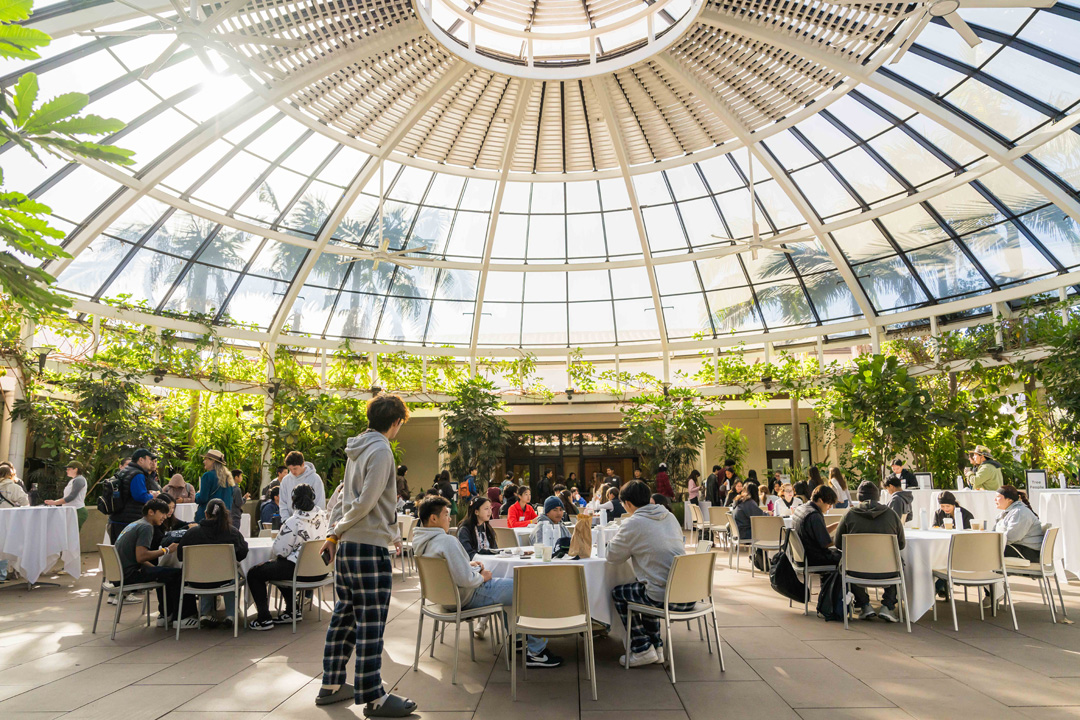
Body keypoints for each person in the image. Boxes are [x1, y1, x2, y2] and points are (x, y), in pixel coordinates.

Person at [317, 395, 414, 714]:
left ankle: (331, 684)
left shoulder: (355, 450)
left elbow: (346, 498)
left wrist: (335, 533)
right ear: (396, 421)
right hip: (369, 547)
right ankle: (374, 697)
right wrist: (337, 530)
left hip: (348, 548)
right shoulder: (382, 450)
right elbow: (367, 501)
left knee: (344, 616)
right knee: (371, 622)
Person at [414, 495, 560, 667]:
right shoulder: (446, 541)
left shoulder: (420, 541)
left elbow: (450, 571)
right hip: (468, 595)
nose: (449, 517)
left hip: (445, 598)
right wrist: (482, 576)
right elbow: (466, 579)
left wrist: (469, 565)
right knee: (528, 588)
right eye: (446, 514)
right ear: (433, 518)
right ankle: (536, 652)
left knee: (510, 589)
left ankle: (519, 638)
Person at [607, 480, 690, 667]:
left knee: (621, 593)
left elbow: (612, 556)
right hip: (689, 595)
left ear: (627, 504)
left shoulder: (634, 523)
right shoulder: (668, 516)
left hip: (667, 599)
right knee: (646, 585)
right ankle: (656, 647)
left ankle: (642, 648)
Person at [247, 484, 328, 630]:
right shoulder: (323, 517)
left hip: (299, 572)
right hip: (321, 571)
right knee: (281, 565)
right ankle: (292, 610)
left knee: (255, 573)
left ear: (293, 500)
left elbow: (279, 550)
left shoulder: (293, 522)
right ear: (313, 498)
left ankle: (264, 618)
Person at [114, 497, 197, 629]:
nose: (165, 517)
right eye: (162, 513)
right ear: (151, 512)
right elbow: (141, 556)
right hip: (131, 575)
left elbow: (136, 557)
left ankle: (166, 614)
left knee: (163, 572)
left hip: (119, 574)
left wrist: (156, 569)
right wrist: (167, 550)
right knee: (180, 575)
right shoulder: (146, 527)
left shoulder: (134, 524)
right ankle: (184, 617)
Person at [834, 481, 906, 623]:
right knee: (898, 562)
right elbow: (901, 545)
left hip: (856, 571)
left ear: (859, 498)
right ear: (878, 497)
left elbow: (838, 544)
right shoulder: (892, 515)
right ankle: (888, 606)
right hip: (888, 571)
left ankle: (864, 605)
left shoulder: (849, 515)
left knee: (847, 561)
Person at [176, 498, 248, 627]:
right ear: (226, 514)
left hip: (196, 580)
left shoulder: (192, 534)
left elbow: (180, 556)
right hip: (225, 580)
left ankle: (205, 613)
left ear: (206, 514)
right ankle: (231, 614)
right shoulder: (233, 533)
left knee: (204, 572)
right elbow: (243, 553)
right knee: (233, 573)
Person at [108, 449, 158, 543]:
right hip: (129, 520)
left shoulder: (126, 471)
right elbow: (140, 496)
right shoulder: (137, 474)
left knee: (118, 552)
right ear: (141, 460)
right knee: (128, 552)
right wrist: (153, 495)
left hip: (117, 518)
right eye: (149, 459)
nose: (151, 462)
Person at [792, 485, 841, 567]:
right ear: (821, 500)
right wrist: (842, 538)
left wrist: (837, 525)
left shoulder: (802, 508)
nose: (829, 507)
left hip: (801, 556)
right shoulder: (814, 515)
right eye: (829, 504)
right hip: (813, 558)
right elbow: (826, 543)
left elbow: (819, 532)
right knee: (847, 557)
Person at [993, 485, 1044, 563]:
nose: (995, 499)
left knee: (987, 549)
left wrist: (990, 542)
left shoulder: (1020, 512)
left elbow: (1011, 537)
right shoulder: (1006, 513)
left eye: (998, 497)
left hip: (1027, 552)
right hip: (1018, 548)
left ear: (1009, 499)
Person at [282, 451, 327, 522]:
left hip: (311, 522)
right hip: (291, 522)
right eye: (290, 469)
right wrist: (286, 520)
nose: (293, 472)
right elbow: (283, 503)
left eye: (295, 468)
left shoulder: (315, 478)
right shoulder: (285, 480)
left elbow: (319, 502)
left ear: (302, 464)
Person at [43, 462, 88, 528]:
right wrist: (54, 502)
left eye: (69, 469)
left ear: (75, 469)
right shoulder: (73, 480)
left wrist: (55, 502)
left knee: (72, 534)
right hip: (70, 511)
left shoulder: (79, 480)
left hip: (77, 511)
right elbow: (66, 497)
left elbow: (71, 497)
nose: (67, 471)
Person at [195, 450, 236, 522]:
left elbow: (203, 498)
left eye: (206, 459)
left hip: (208, 518)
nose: (204, 461)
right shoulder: (228, 477)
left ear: (212, 461)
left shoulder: (207, 476)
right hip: (224, 518)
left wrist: (196, 495)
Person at [457, 494, 498, 559]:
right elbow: (467, 553)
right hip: (473, 565)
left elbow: (495, 550)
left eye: (490, 508)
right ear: (476, 512)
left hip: (490, 563)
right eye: (486, 509)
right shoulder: (465, 530)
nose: (490, 511)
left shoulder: (488, 528)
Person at [732, 481, 765, 545]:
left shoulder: (742, 501)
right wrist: (769, 514)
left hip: (738, 532)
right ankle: (762, 553)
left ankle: (759, 553)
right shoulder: (749, 502)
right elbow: (760, 517)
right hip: (745, 533)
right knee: (768, 530)